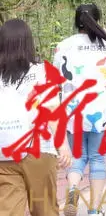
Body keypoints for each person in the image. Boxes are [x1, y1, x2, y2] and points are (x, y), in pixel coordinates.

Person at [55, 4, 106, 216]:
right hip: (101, 109)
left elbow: (56, 76)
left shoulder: (63, 46)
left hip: (73, 109)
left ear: (76, 21)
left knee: (77, 156)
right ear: (97, 21)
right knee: (97, 158)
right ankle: (94, 211)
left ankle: (72, 192)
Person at [0, 19, 70, 216]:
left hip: (3, 153)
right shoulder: (42, 71)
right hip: (38, 151)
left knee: (7, 210)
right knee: (44, 209)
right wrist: (63, 145)